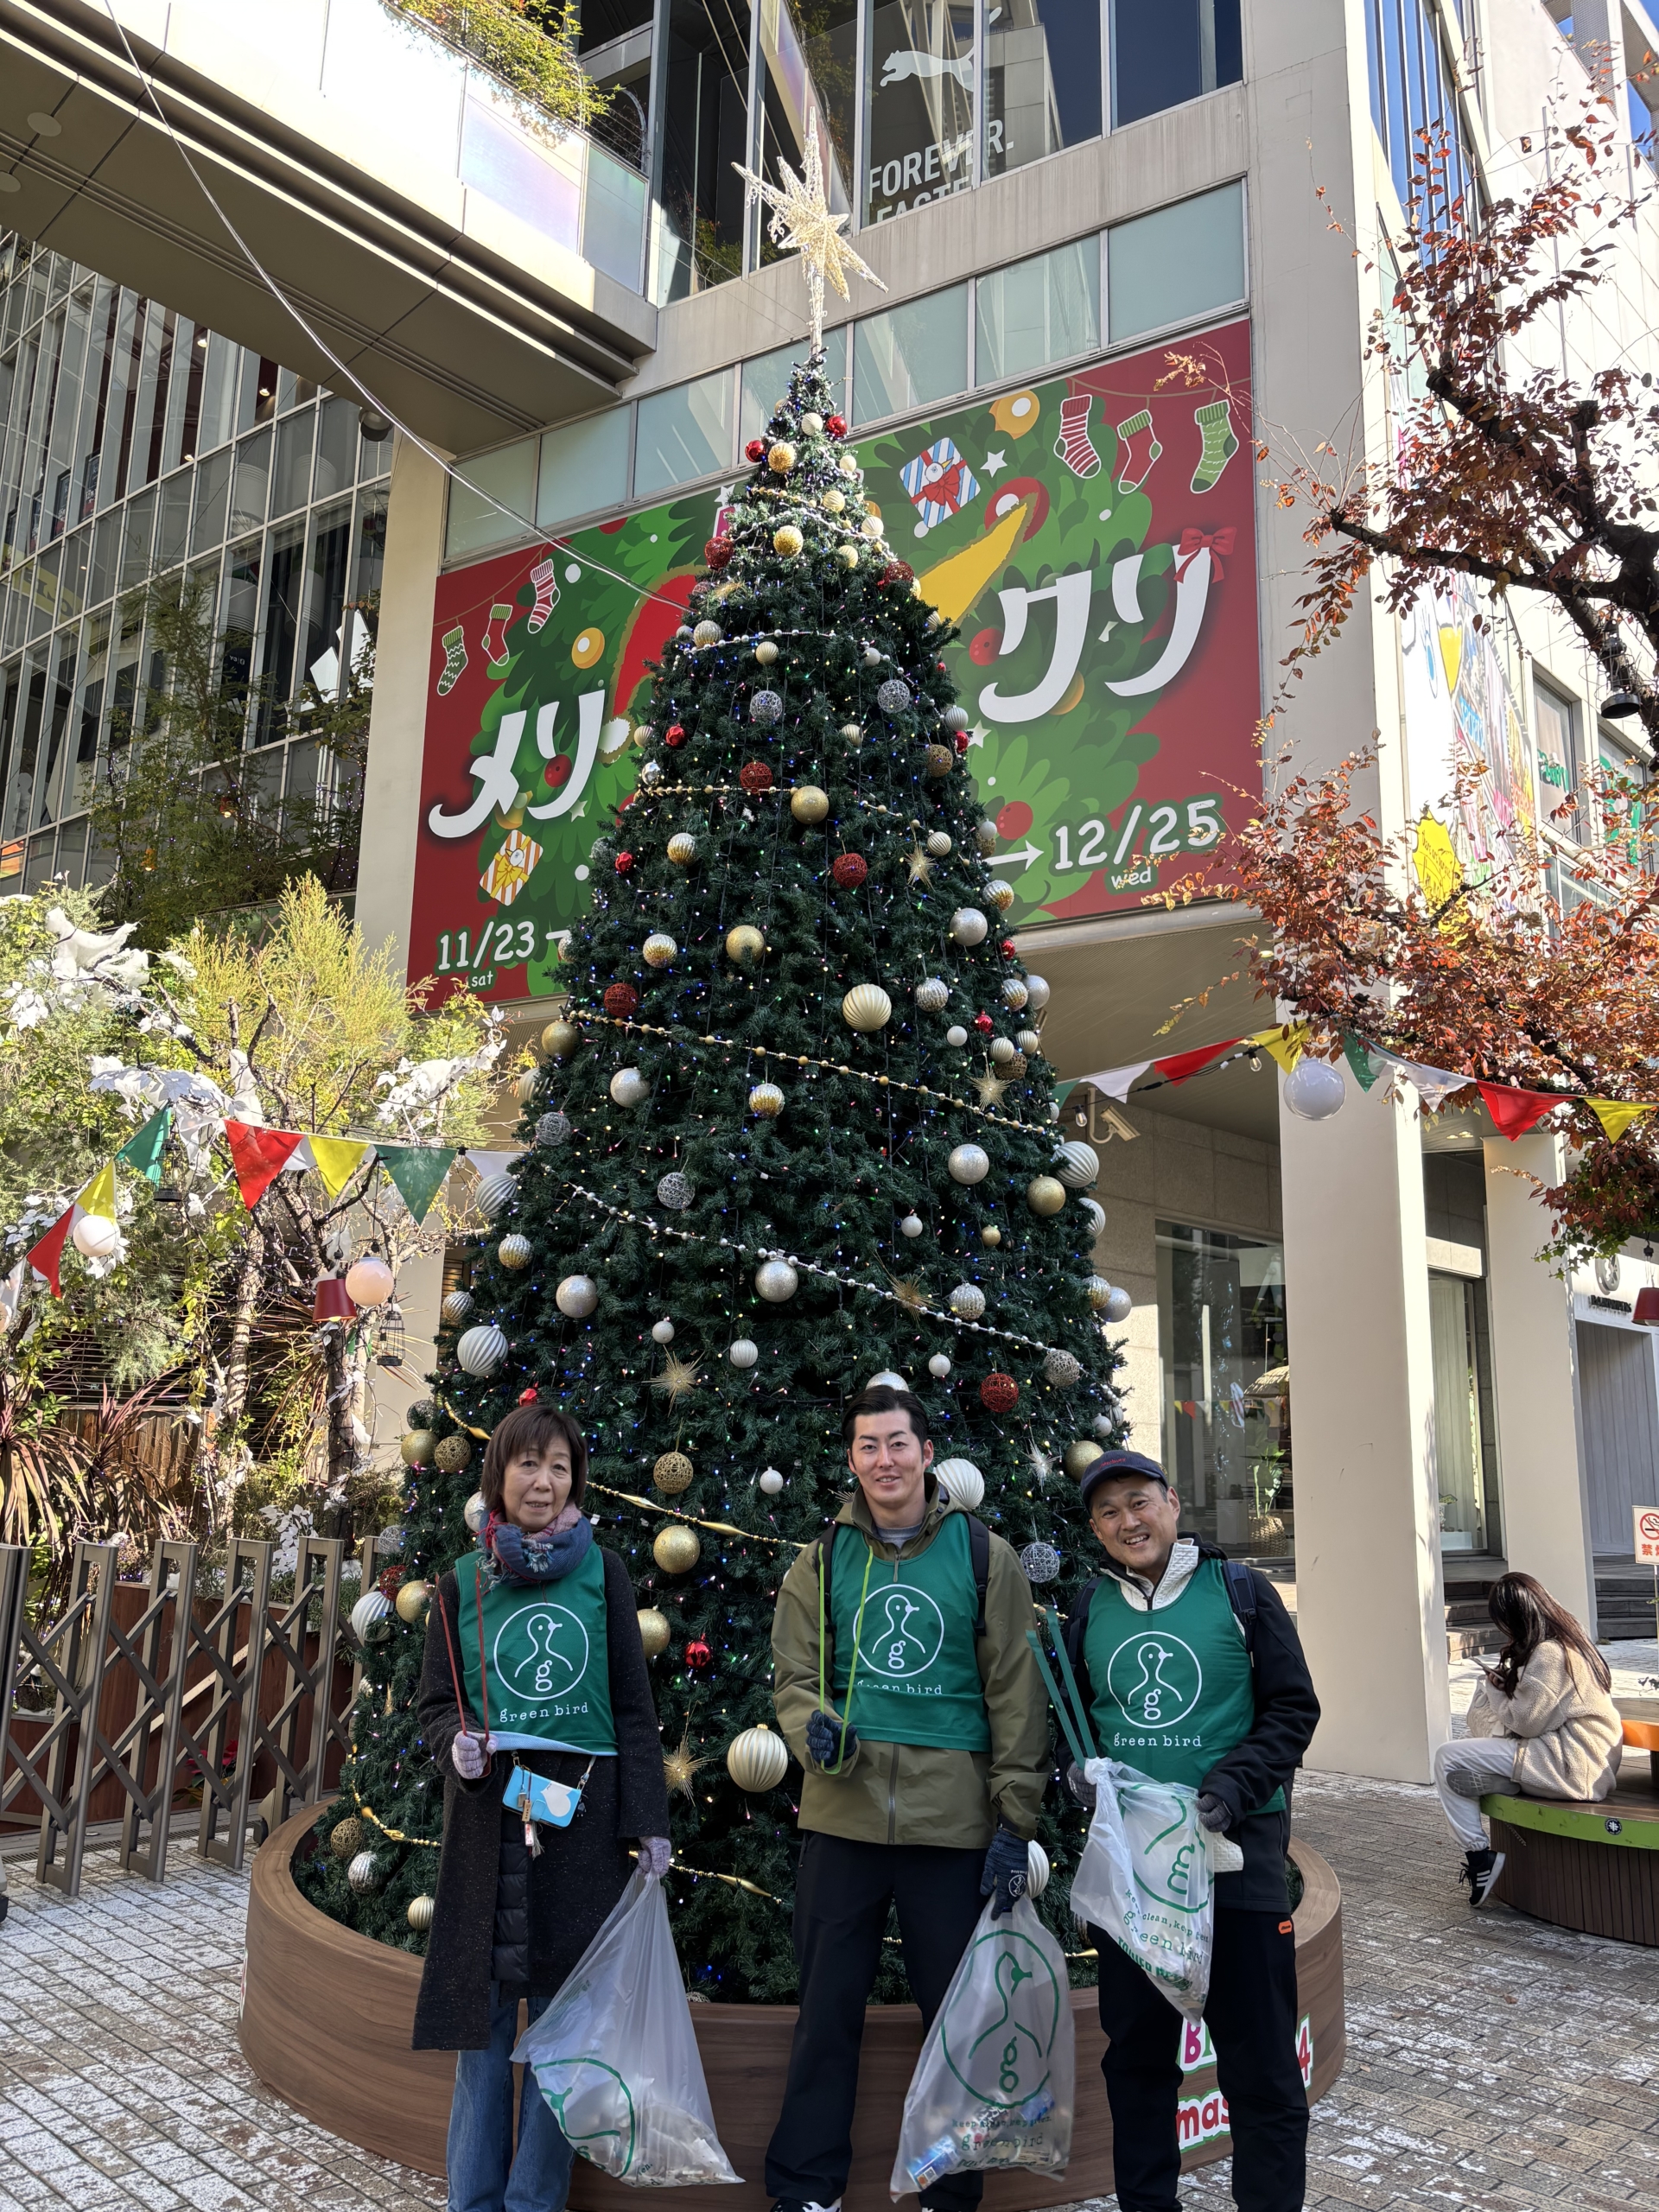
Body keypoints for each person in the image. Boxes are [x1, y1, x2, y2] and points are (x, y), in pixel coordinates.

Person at [765, 1383, 1051, 2212]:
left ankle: (951, 2192)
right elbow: (793, 1673)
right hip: (842, 1821)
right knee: (824, 2018)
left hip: (951, 1830)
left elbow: (1015, 1696)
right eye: (867, 1447)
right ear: (852, 1460)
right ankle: (805, 2190)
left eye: (898, 1444)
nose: (884, 1461)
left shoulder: (982, 1558)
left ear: (928, 1454)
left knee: (957, 2026)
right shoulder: (821, 1559)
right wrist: (808, 1726)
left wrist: (1014, 1821)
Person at [413, 1402, 671, 2212]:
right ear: (500, 1475)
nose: (544, 1480)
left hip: (582, 1833)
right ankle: (474, 2200)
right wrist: (454, 1741)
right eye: (529, 1463)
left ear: (575, 1481)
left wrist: (648, 1822)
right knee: (485, 2038)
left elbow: (632, 1708)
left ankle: (533, 2202)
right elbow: (433, 1705)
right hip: (488, 1827)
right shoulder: (460, 1583)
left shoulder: (607, 1573)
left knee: (564, 2036)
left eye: (560, 1466)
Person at [1063, 1449, 1320, 2212]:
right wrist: (1074, 1775)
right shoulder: (1088, 1607)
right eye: (1108, 1512)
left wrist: (1234, 1788)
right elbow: (1073, 1727)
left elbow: (1293, 1710)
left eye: (1138, 1502)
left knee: (1262, 2070)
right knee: (1137, 2066)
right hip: (1135, 1877)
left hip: (1235, 1864)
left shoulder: (1240, 1591)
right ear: (1096, 1529)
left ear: (1173, 1503)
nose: (1126, 1521)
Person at [1433, 1569, 1622, 1906]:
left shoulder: (1551, 1653)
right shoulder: (1567, 1643)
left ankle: (1480, 1860)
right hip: (1566, 1761)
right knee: (1459, 1770)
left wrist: (1495, 1691)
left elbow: (1526, 1722)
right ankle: (1499, 1801)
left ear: (1517, 1617)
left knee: (1448, 1757)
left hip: (1571, 1765)